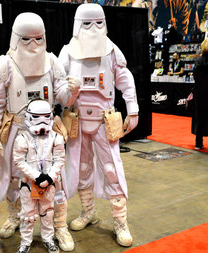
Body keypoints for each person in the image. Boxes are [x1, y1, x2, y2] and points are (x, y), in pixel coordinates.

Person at [0, 12, 79, 252]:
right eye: (26, 39)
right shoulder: (4, 64)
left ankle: (59, 226)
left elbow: (62, 96)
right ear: (16, 38)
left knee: (55, 179)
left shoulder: (51, 61)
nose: (33, 45)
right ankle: (15, 217)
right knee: (15, 180)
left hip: (48, 132)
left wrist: (72, 91)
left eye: (38, 39)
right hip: (17, 130)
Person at [57, 3, 139, 247]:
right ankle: (87, 211)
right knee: (81, 169)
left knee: (112, 169)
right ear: (77, 24)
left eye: (98, 23)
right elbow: (58, 87)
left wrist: (132, 109)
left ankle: (120, 221)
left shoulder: (111, 51)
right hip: (77, 120)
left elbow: (125, 78)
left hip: (104, 120)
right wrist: (65, 94)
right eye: (87, 23)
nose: (93, 28)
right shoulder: (68, 52)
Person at [13, 99, 63, 253]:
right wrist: (36, 176)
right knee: (27, 215)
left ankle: (48, 239)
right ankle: (25, 242)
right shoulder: (22, 138)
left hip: (49, 183)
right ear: (29, 117)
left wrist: (50, 177)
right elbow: (19, 161)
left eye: (45, 116)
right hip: (28, 184)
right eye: (37, 117)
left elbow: (60, 159)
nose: (41, 121)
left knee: (48, 212)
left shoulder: (56, 137)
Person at [192, 38, 208, 150]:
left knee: (200, 118)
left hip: (200, 94)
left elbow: (195, 77)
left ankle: (198, 143)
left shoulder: (198, 61)